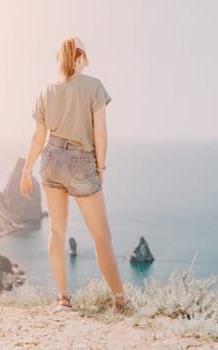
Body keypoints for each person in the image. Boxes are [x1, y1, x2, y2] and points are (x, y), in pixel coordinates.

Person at [20, 36, 132, 313]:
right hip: (81, 161)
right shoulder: (94, 86)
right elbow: (101, 132)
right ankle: (121, 302)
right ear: (81, 57)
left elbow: (37, 138)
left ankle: (63, 299)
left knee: (57, 231)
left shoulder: (47, 90)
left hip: (51, 159)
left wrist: (26, 172)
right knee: (101, 237)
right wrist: (100, 167)